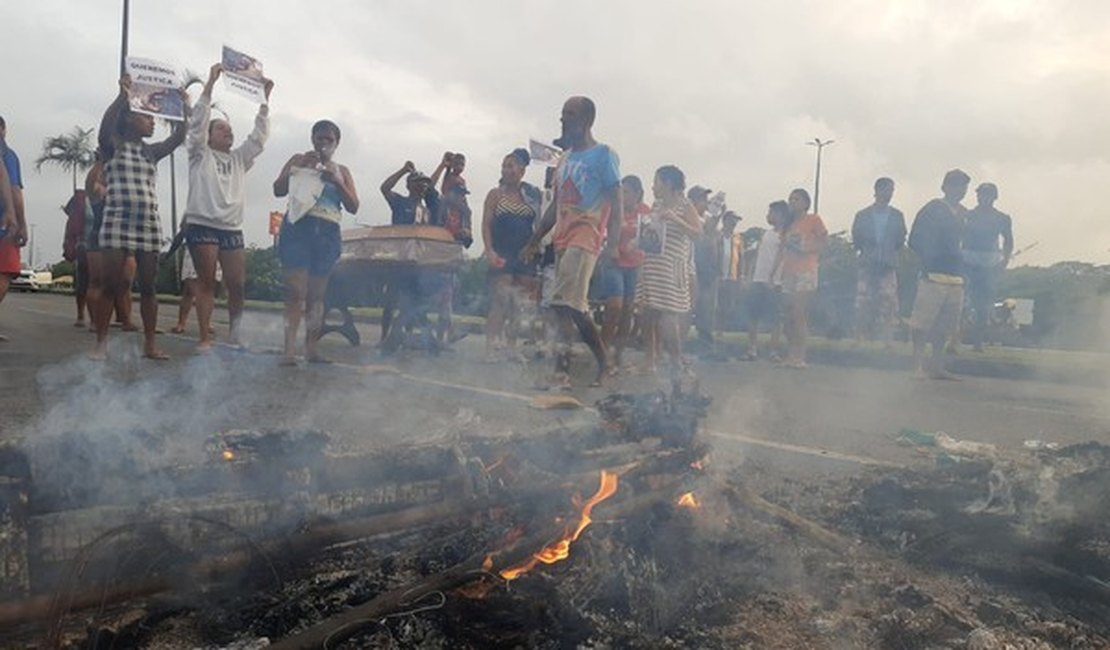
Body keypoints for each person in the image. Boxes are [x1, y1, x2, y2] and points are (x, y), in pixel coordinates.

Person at [521, 96, 622, 389]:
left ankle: (592, 367)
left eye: (570, 114)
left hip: (586, 235)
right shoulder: (564, 159)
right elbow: (556, 204)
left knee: (568, 305)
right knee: (566, 306)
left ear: (587, 120)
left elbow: (616, 203)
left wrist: (613, 244)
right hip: (563, 239)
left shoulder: (604, 154)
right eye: (563, 113)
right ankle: (568, 369)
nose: (563, 119)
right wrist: (534, 239)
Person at [93, 75, 188, 360]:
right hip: (116, 218)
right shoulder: (113, 145)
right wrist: (121, 96)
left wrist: (184, 108)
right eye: (146, 117)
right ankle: (101, 344)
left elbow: (178, 138)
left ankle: (149, 344)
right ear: (129, 119)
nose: (152, 122)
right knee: (111, 285)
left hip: (147, 222)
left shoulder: (151, 151)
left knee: (148, 287)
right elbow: (104, 128)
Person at [182, 63, 272, 352]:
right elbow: (198, 122)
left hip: (231, 228)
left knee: (237, 285)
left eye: (230, 130)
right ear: (208, 136)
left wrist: (265, 102)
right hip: (203, 225)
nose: (228, 132)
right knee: (206, 283)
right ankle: (204, 338)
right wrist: (210, 83)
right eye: (221, 128)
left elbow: (258, 139)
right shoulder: (199, 153)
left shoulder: (238, 159)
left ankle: (235, 334)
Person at [272, 119, 359, 365]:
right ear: (312, 139)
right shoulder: (298, 159)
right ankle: (289, 350)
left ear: (337, 143)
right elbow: (278, 189)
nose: (324, 143)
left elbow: (353, 205)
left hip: (327, 231)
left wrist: (336, 181)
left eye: (329, 139)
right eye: (320, 138)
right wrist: (297, 168)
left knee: (316, 296)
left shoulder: (342, 171)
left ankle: (311, 348)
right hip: (299, 227)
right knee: (295, 291)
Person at [635, 166, 702, 376]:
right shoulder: (656, 205)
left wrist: (675, 218)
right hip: (652, 264)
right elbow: (651, 232)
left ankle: (676, 360)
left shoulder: (685, 205)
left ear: (668, 183)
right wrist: (637, 240)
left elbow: (697, 233)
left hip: (671, 267)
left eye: (656, 182)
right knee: (648, 313)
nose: (653, 187)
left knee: (669, 315)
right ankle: (650, 359)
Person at [908, 169, 970, 380]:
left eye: (963, 186)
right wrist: (930, 256)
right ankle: (917, 365)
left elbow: (968, 242)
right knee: (922, 324)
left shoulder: (964, 214)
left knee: (945, 326)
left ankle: (936, 365)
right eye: (956, 185)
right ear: (945, 187)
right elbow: (915, 238)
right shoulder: (932, 209)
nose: (960, 190)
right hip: (933, 275)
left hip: (956, 276)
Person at [482, 148, 542, 362]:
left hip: (524, 254)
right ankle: (490, 346)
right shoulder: (495, 195)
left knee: (519, 303)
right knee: (500, 300)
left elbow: (539, 224)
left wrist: (535, 247)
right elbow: (486, 225)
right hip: (502, 252)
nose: (506, 170)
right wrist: (489, 250)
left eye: (511, 166)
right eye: (504, 166)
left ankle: (511, 346)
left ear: (522, 171)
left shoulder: (532, 197)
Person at [379, 161, 442, 345]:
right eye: (418, 182)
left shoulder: (427, 211)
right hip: (398, 259)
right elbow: (385, 188)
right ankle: (384, 337)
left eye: (425, 183)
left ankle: (407, 336)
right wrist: (402, 170)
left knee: (414, 299)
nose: (422, 186)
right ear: (409, 185)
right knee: (391, 300)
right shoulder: (400, 202)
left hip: (418, 263)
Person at [597, 175, 648, 370]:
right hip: (614, 262)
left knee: (628, 309)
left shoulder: (644, 212)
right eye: (621, 192)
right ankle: (602, 350)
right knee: (614, 307)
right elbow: (601, 230)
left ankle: (617, 353)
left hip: (634, 265)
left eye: (627, 192)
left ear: (637, 194)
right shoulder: (612, 208)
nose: (623, 196)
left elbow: (652, 236)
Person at [851, 177, 907, 348]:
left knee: (889, 303)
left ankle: (887, 340)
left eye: (892, 190)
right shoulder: (862, 215)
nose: (890, 193)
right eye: (888, 190)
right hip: (867, 263)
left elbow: (900, 239)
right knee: (862, 303)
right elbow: (857, 238)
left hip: (887, 264)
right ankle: (859, 338)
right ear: (877, 190)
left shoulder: (897, 216)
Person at [775, 188, 828, 369]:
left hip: (806, 270)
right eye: (791, 199)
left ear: (806, 202)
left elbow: (824, 243)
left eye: (796, 199)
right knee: (788, 315)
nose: (792, 202)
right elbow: (782, 248)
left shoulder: (814, 220)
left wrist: (807, 249)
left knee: (799, 313)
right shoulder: (788, 224)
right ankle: (791, 354)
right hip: (788, 271)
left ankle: (800, 356)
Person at [963, 182, 1013, 352]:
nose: (983, 197)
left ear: (994, 197)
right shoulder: (968, 215)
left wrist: (1004, 261)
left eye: (987, 194)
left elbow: (1008, 240)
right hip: (967, 259)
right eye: (981, 194)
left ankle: (978, 342)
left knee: (984, 305)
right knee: (962, 301)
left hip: (990, 262)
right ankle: (954, 340)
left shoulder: (1002, 218)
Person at [743, 201, 788, 361]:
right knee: (753, 315)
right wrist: (749, 275)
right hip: (758, 280)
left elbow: (781, 256)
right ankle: (752, 349)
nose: (768, 216)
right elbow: (757, 254)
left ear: (780, 215)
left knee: (775, 318)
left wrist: (772, 276)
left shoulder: (785, 235)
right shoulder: (766, 233)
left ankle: (773, 351)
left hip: (774, 283)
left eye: (771, 213)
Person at [690, 186, 728, 359]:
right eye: (703, 200)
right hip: (695, 268)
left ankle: (705, 346)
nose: (706, 203)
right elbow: (707, 231)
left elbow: (713, 235)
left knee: (707, 309)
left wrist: (719, 214)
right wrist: (717, 216)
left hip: (708, 269)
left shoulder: (705, 218)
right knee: (692, 307)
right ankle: (681, 346)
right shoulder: (692, 218)